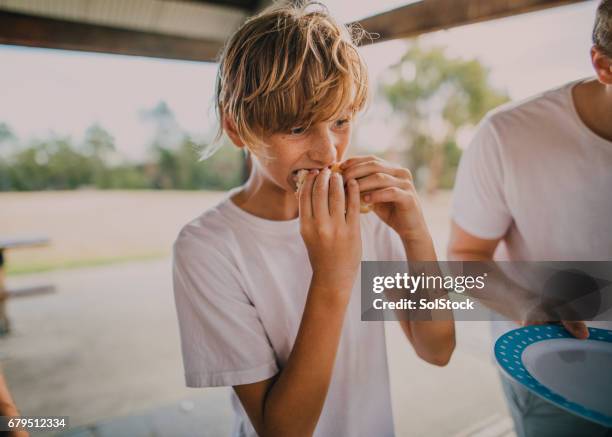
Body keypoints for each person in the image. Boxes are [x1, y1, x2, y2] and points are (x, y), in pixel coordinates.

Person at [172, 3, 455, 436]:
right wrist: (333, 276)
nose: (328, 153)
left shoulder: (367, 213)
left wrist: (416, 235)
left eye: (341, 121)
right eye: (299, 127)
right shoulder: (207, 247)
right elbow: (281, 430)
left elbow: (437, 349)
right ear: (236, 129)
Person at [448, 1, 612, 436]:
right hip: (556, 378)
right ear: (603, 65)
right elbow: (465, 257)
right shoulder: (507, 136)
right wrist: (525, 305)